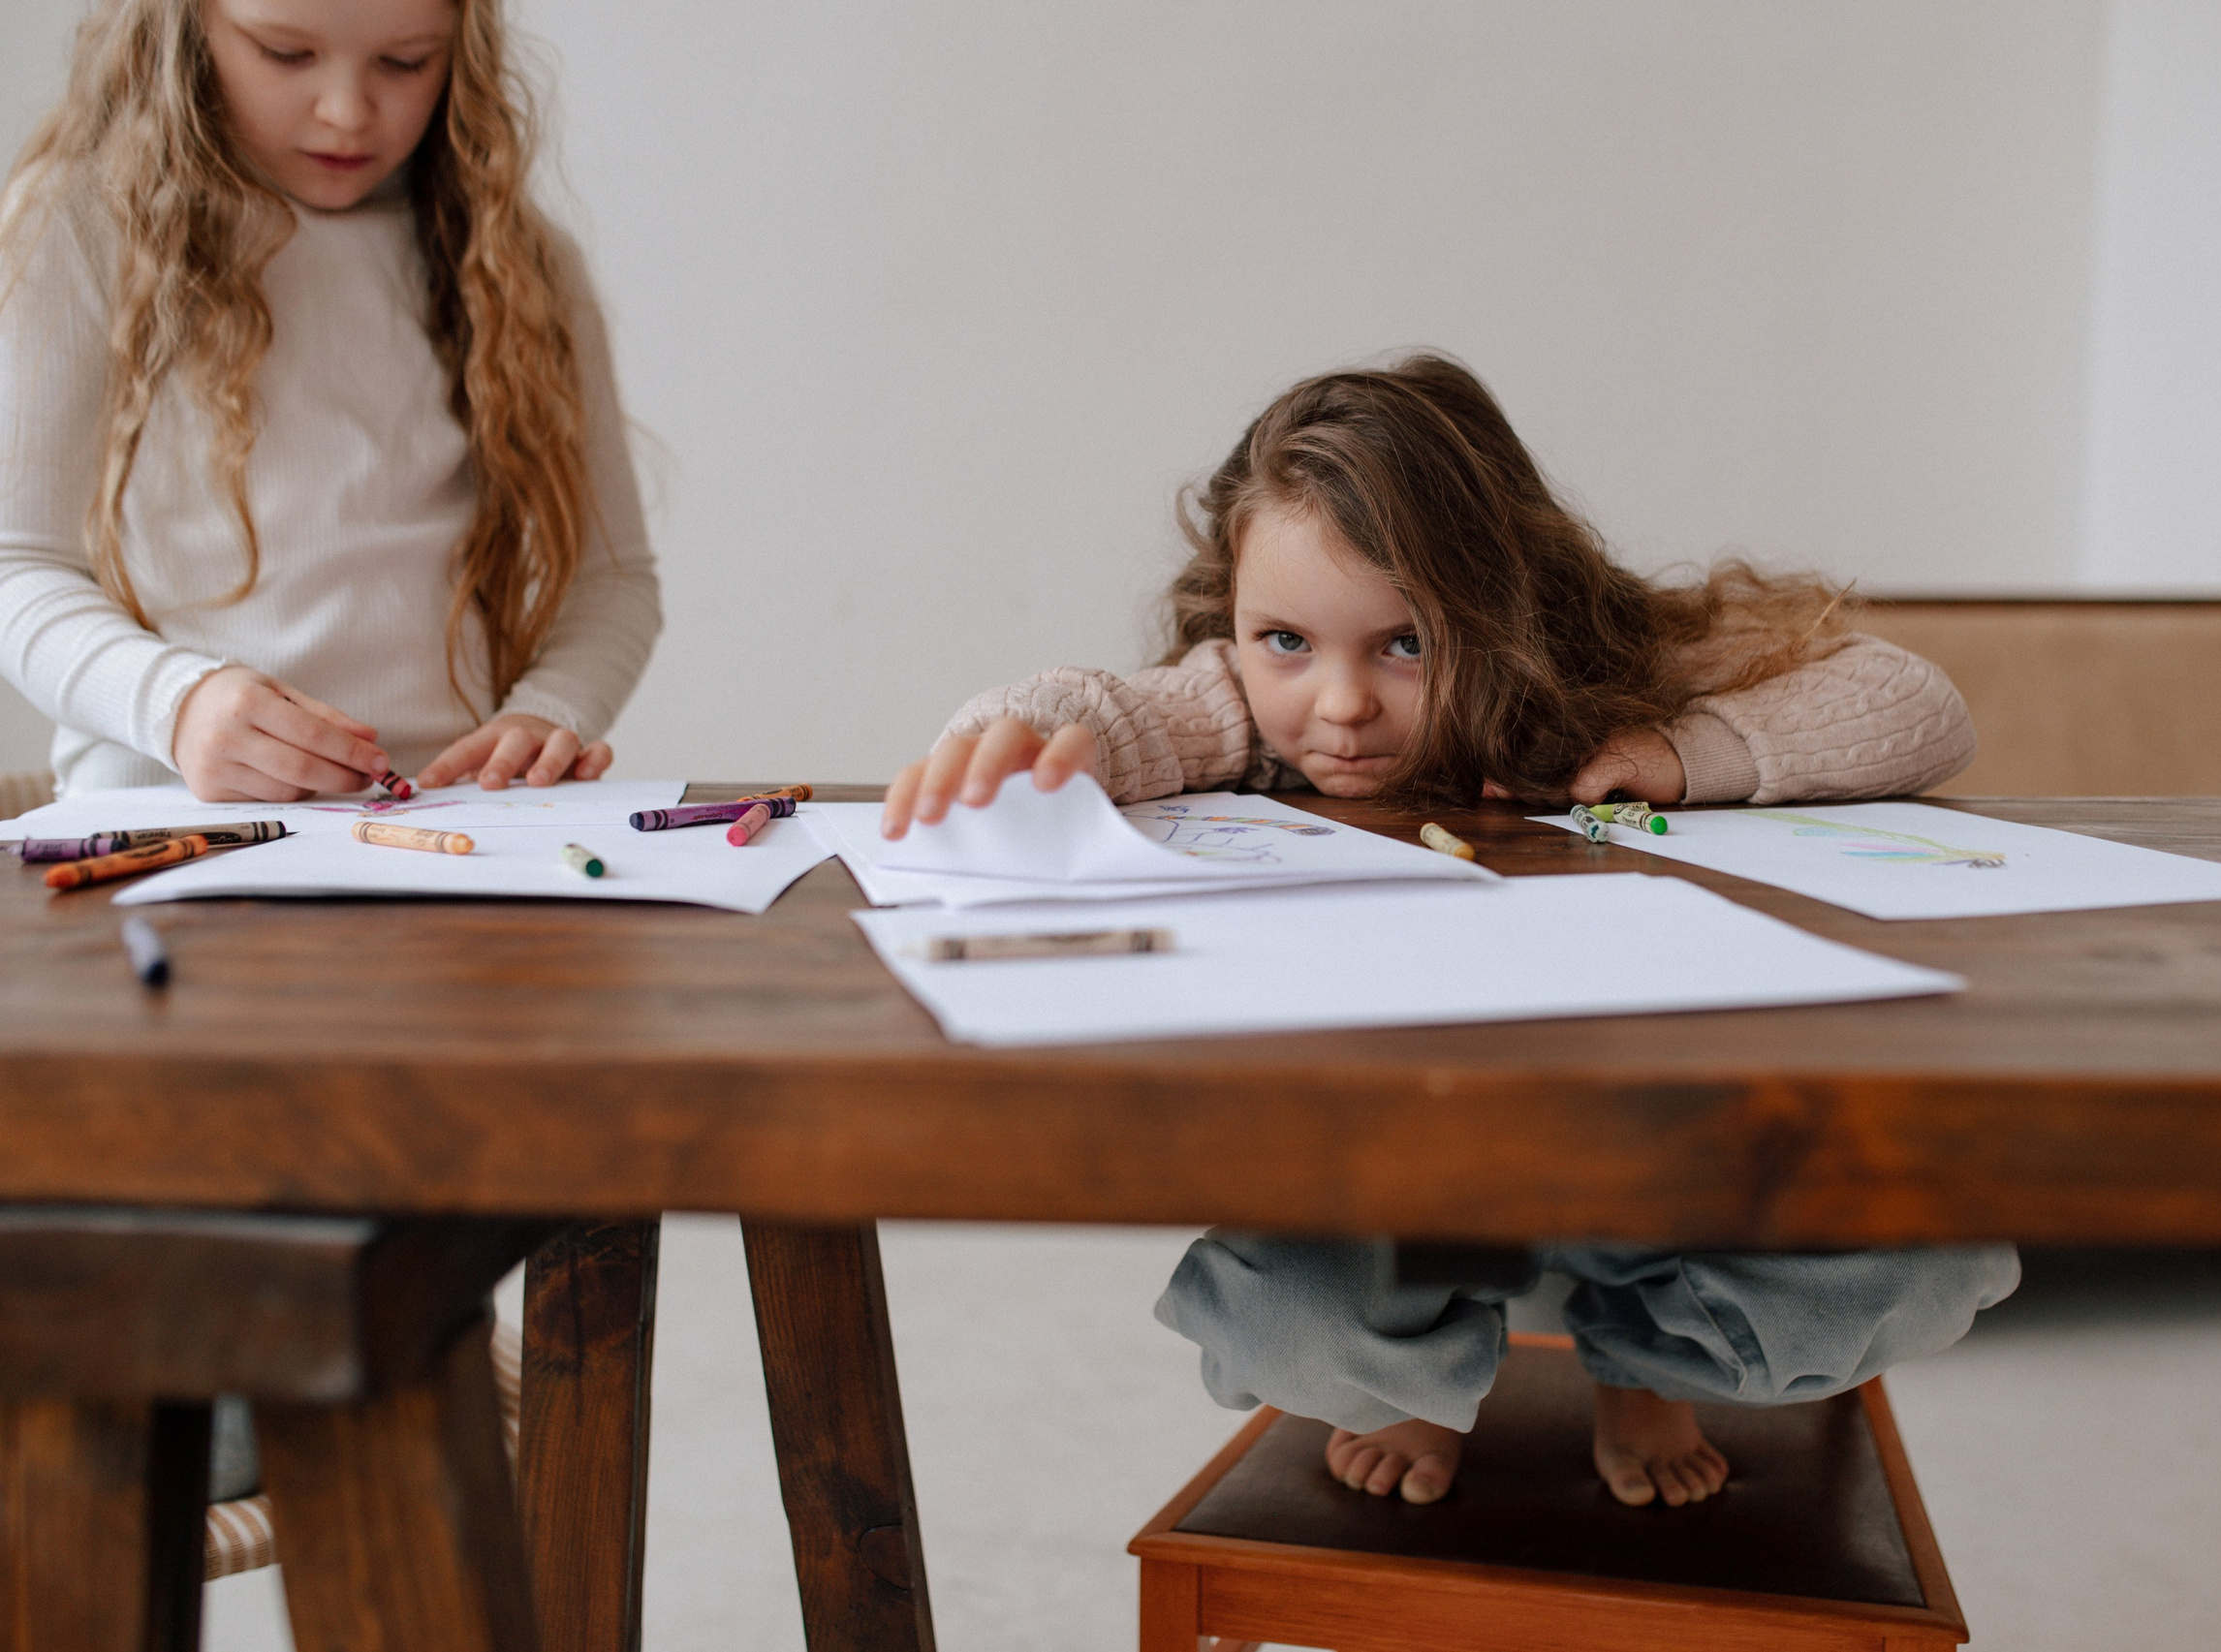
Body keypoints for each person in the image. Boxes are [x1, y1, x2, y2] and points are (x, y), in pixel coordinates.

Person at [886, 353, 2017, 1510]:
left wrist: (1689, 755)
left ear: (1511, 604)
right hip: (1394, 1167)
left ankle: (1636, 1363)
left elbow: (1914, 703)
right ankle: (1410, 1375)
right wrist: (1015, 732)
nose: (1338, 704)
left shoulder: (1605, 677)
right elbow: (1107, 712)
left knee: (1918, 1258)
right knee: (1290, 1327)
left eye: (1405, 643)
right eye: (1286, 639)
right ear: (1232, 611)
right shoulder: (1231, 706)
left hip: (1652, 1146)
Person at [0, 0, 659, 803]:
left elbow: (613, 583)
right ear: (181, 28)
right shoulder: (79, 226)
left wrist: (546, 714)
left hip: (449, 830)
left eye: (406, 62)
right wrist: (178, 704)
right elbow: (17, 565)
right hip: (161, 830)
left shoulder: (521, 262)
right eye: (285, 53)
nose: (348, 113)